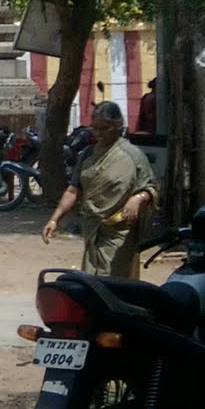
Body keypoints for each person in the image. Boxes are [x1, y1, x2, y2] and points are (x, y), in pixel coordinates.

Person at [41, 101, 159, 278]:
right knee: (92, 281)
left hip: (119, 234)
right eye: (94, 128)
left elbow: (152, 188)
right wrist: (54, 219)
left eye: (104, 128)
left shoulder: (132, 155)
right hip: (93, 230)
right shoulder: (88, 155)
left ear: (117, 126)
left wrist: (139, 198)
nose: (98, 134)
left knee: (115, 282)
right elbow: (74, 189)